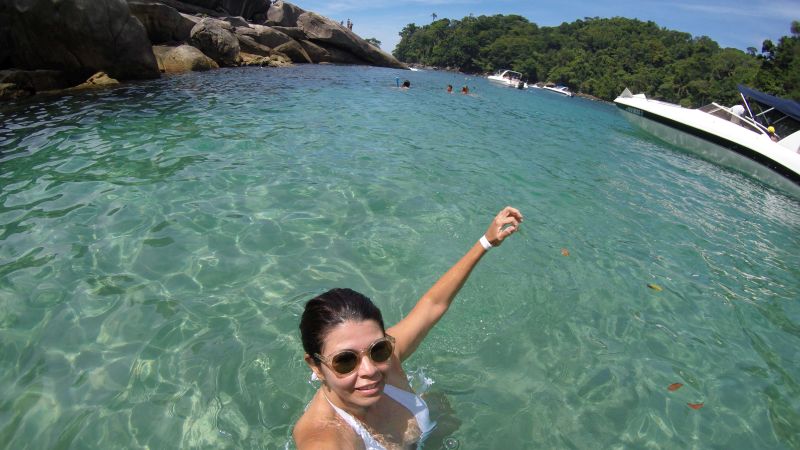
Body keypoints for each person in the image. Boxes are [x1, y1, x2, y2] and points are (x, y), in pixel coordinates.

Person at [293, 207, 523, 449]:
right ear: (316, 366)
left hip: (430, 434)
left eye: (378, 349)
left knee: (437, 400)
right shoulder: (327, 437)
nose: (370, 369)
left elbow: (432, 305)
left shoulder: (387, 356)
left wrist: (486, 242)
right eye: (345, 361)